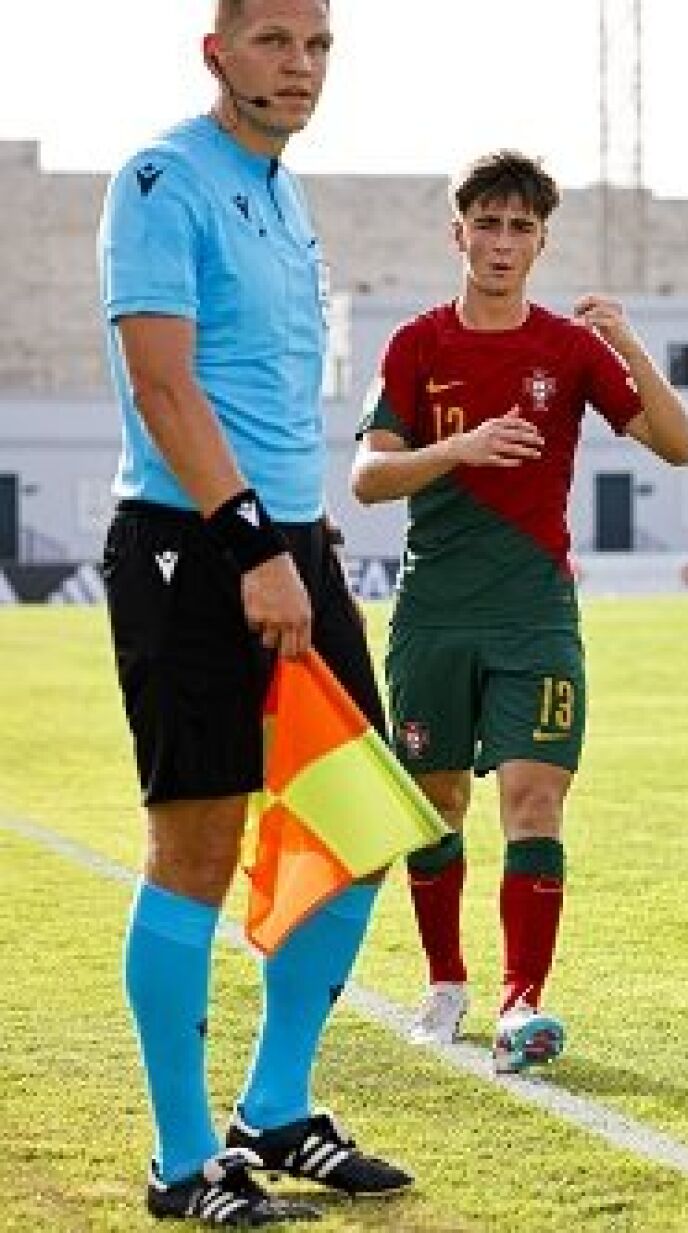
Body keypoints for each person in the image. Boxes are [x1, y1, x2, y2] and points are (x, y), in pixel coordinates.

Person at [97, 1, 412, 1223]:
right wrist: (248, 543)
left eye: (319, 44)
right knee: (197, 851)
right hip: (191, 547)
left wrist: (303, 531)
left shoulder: (285, 194)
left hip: (290, 541)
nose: (302, 65)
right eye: (276, 40)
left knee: (360, 821)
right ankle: (184, 1163)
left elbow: (267, 392)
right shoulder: (162, 177)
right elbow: (164, 387)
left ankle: (274, 1108)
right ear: (216, 51)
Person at [351, 150, 688, 1076]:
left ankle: (520, 1002)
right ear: (457, 231)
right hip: (433, 611)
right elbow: (368, 477)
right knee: (437, 804)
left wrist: (627, 346)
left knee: (535, 802)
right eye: (488, 224)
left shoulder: (569, 348)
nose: (503, 243)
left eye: (521, 228)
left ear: (541, 242)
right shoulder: (417, 344)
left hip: (536, 612)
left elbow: (679, 444)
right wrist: (457, 446)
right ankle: (446, 981)